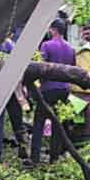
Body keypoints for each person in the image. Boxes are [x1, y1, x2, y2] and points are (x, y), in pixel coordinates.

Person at [29, 18, 75, 165]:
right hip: (64, 90)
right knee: (58, 123)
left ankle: (34, 158)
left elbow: (40, 67)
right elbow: (73, 71)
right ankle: (54, 157)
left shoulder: (46, 45)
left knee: (39, 122)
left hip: (48, 89)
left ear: (53, 30)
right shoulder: (71, 49)